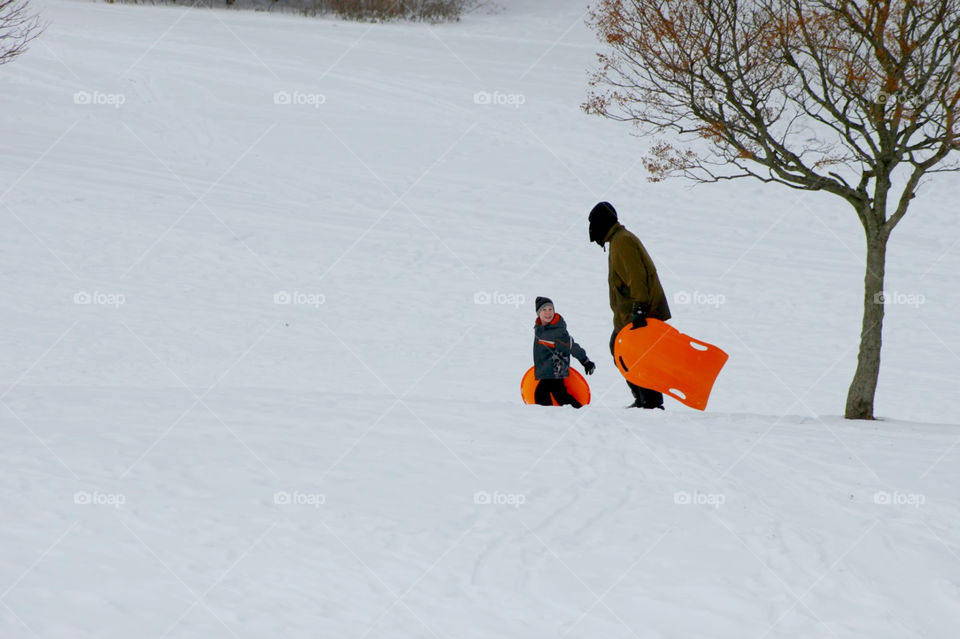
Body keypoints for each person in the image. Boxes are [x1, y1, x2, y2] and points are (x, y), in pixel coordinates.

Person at [588, 201, 671, 409]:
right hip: (628, 314)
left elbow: (637, 276)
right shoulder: (618, 240)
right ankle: (645, 400)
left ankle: (650, 402)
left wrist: (640, 307)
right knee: (624, 350)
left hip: (639, 311)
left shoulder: (622, 242)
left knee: (635, 354)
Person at [532, 296, 595, 407]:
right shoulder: (540, 328)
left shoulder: (558, 331)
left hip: (555, 370)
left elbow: (572, 347)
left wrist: (585, 361)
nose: (548, 313)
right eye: (544, 310)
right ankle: (565, 412)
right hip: (547, 370)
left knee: (541, 394)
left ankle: (554, 414)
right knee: (558, 395)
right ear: (538, 313)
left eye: (550, 309)